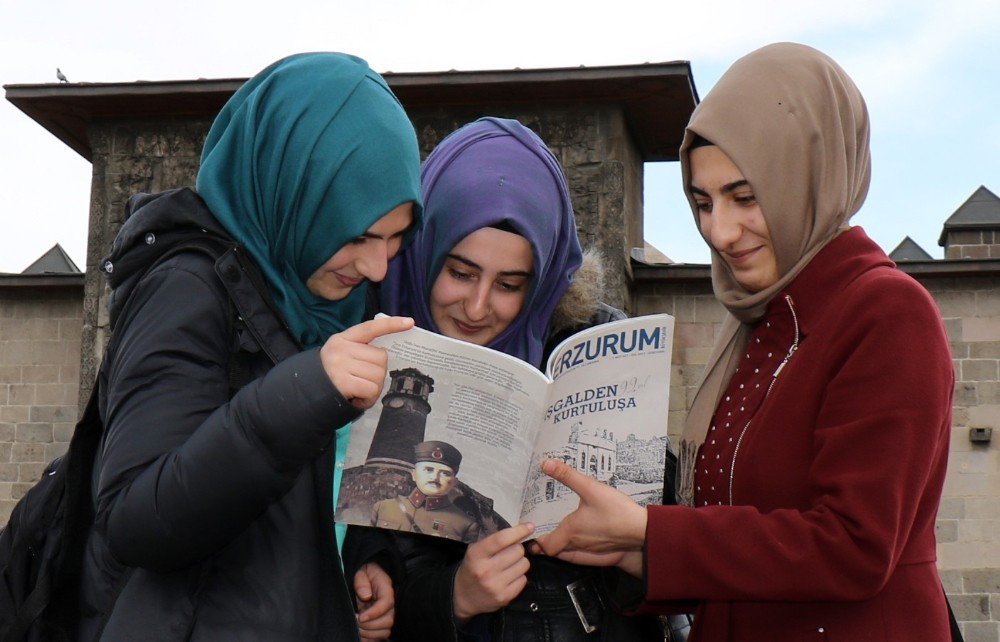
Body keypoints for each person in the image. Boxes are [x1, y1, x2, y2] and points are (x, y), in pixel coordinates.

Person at [535, 42, 955, 640]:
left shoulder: (886, 312)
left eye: (745, 196)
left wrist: (652, 533)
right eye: (703, 203)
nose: (719, 232)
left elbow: (853, 546)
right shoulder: (764, 323)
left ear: (809, 176)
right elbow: (746, 544)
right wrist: (629, 551)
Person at [76, 53, 422, 641]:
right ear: (293, 195)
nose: (375, 265)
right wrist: (304, 393)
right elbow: (135, 519)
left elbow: (307, 501)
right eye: (358, 234)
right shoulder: (186, 288)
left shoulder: (324, 299)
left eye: (396, 238)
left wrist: (365, 562)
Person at [351, 117, 662, 641]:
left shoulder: (588, 346)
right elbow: (358, 574)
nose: (476, 307)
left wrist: (635, 547)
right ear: (424, 252)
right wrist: (456, 597)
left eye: (510, 284)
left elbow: (659, 558)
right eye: (460, 272)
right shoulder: (362, 348)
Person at [371, 441, 483, 541]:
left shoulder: (466, 524)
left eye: (445, 473)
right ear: (414, 474)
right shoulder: (382, 508)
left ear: (454, 482)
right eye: (428, 470)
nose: (435, 478)